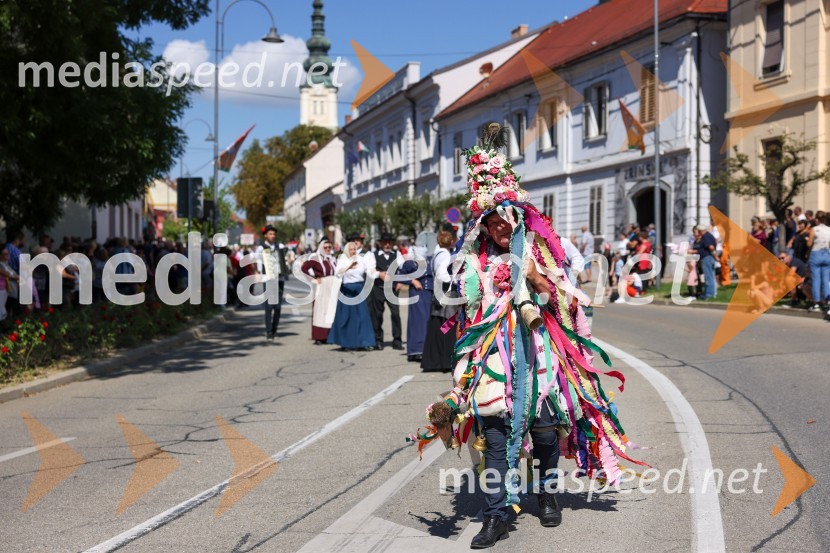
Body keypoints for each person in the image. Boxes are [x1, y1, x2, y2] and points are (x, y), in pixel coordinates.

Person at [411, 125, 642, 549]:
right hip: (493, 362)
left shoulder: (537, 250)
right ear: (484, 225)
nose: (500, 228)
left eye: (506, 221)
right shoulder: (475, 259)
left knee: (545, 432)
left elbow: (565, 302)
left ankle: (548, 493)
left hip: (538, 357)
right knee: (495, 434)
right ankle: (496, 513)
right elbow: (464, 307)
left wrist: (535, 279)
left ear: (516, 219)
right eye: (492, 223)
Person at [327, 242, 375, 351]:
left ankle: (364, 342)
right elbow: (337, 272)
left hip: (359, 289)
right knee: (346, 317)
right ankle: (345, 343)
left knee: (362, 317)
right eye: (351, 249)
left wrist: (375, 273)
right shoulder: (342, 260)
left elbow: (369, 270)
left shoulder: (361, 260)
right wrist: (349, 267)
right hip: (347, 290)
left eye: (354, 249)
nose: (353, 251)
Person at [420, 231, 458, 371]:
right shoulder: (445, 255)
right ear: (451, 241)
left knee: (439, 327)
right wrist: (455, 280)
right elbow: (443, 275)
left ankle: (437, 360)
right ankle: (445, 361)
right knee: (447, 327)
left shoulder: (438, 254)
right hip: (446, 294)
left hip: (440, 294)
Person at [364, 233, 403, 351]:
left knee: (396, 314)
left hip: (392, 289)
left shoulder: (397, 254)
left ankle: (397, 340)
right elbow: (369, 271)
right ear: (380, 243)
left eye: (389, 242)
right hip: (378, 288)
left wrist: (400, 281)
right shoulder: (373, 255)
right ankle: (378, 340)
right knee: (377, 315)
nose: (387, 244)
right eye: (385, 242)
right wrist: (379, 274)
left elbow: (403, 269)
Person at [396, 244, 431, 362]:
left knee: (427, 322)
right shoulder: (410, 263)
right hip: (416, 294)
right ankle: (415, 350)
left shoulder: (430, 261)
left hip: (428, 294)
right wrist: (412, 280)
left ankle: (426, 349)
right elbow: (399, 276)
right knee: (417, 322)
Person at [300, 239, 338, 344]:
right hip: (321, 286)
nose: (327, 249)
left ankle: (330, 335)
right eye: (325, 247)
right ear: (321, 248)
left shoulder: (333, 259)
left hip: (332, 286)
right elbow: (303, 269)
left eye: (329, 247)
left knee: (330, 311)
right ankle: (319, 337)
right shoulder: (315, 258)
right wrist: (313, 279)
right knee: (320, 311)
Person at [254, 225, 289, 340]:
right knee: (269, 306)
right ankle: (269, 331)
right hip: (267, 279)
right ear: (265, 235)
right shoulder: (261, 248)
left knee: (278, 307)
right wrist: (258, 273)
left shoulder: (280, 246)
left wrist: (288, 261)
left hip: (279, 279)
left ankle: (274, 329)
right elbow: (257, 261)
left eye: (274, 234)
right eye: (270, 234)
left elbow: (287, 257)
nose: (272, 236)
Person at [807, 212, 830, 313]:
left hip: (816, 254)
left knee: (816, 280)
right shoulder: (829, 230)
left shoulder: (814, 229)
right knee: (826, 280)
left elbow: (809, 244)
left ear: (817, 219)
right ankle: (826, 302)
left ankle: (816, 303)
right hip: (826, 254)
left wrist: (808, 240)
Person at [694, 224, 718, 300]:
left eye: (698, 231)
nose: (698, 233)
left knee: (708, 277)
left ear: (701, 231)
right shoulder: (709, 235)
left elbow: (711, 247)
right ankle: (713, 293)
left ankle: (709, 294)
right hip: (709, 257)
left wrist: (715, 256)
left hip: (707, 258)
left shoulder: (706, 237)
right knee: (711, 276)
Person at [0, 246, 21, 321]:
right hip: (5, 291)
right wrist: (17, 277)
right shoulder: (1, 265)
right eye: (5, 254)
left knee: (10, 311)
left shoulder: (7, 265)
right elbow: (8, 274)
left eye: (8, 254)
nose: (7, 256)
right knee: (5, 311)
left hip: (11, 291)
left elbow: (14, 275)